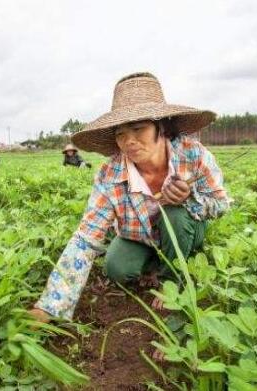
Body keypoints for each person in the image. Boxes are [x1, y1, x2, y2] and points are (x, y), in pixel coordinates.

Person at [28, 72, 232, 325]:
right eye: (121, 134)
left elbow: (221, 204)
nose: (129, 141)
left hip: (186, 227)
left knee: (175, 214)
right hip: (141, 237)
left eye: (138, 129)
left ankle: (173, 280)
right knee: (116, 269)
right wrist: (51, 306)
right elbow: (86, 237)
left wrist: (189, 198)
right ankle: (156, 262)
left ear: (163, 127)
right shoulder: (109, 174)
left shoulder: (194, 155)